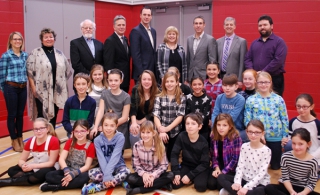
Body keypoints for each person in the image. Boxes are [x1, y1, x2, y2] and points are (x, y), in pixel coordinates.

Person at [244, 71, 289, 170]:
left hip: (275, 137)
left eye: (266, 82)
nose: (263, 85)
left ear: (271, 83)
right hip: (257, 137)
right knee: (258, 166)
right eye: (261, 82)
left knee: (275, 167)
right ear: (256, 83)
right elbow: (247, 120)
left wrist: (285, 136)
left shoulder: (278, 99)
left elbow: (284, 119)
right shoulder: (251, 100)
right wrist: (255, 134)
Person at [27, 28, 69, 129]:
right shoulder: (35, 53)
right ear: (42, 39)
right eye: (46, 37)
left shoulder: (59, 53)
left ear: (54, 39)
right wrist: (33, 87)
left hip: (56, 90)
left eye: (51, 37)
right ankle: (42, 135)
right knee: (42, 115)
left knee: (54, 114)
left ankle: (51, 135)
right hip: (41, 90)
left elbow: (66, 70)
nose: (49, 39)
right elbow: (29, 71)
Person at [0, 118, 59, 187]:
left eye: (42, 128)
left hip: (50, 167)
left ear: (47, 129)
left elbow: (51, 163)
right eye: (36, 129)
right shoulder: (31, 141)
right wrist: (23, 165)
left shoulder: (53, 140)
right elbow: (21, 160)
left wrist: (33, 166)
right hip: (35, 166)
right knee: (11, 170)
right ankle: (30, 177)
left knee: (42, 173)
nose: (39, 131)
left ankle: (7, 182)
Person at [217, 119, 271, 195]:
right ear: (246, 132)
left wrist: (246, 187)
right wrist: (237, 183)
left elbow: (261, 174)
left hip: (259, 183)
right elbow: (240, 167)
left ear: (262, 133)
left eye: (257, 133)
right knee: (221, 177)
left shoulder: (266, 150)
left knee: (260, 192)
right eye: (250, 132)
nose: (253, 135)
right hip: (244, 179)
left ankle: (233, 192)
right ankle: (239, 192)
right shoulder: (244, 146)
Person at [81, 112, 130, 195]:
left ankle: (98, 187)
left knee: (126, 172)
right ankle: (119, 181)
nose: (108, 128)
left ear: (116, 126)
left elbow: (115, 157)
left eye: (112, 125)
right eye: (106, 125)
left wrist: (107, 177)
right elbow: (101, 159)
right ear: (102, 126)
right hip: (104, 168)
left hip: (118, 167)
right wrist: (107, 175)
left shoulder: (120, 137)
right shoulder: (97, 140)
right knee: (91, 173)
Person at [40, 119, 95, 192]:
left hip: (79, 172)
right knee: (49, 175)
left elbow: (87, 166)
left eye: (82, 131)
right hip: (67, 171)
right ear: (73, 132)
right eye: (76, 131)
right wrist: (66, 170)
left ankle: (54, 186)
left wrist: (73, 174)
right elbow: (61, 159)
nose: (79, 134)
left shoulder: (91, 146)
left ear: (88, 131)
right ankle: (72, 184)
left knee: (85, 177)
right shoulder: (70, 142)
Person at [265, 128, 320, 195]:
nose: (296, 147)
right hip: (287, 186)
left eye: (300, 144)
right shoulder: (285, 157)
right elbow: (285, 178)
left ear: (308, 144)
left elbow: (312, 183)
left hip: (303, 188)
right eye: (294, 143)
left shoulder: (313, 161)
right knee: (269, 188)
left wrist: (303, 193)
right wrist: (291, 191)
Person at [125, 121, 174, 195]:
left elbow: (164, 165)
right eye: (143, 132)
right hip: (142, 175)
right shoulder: (136, 146)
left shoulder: (160, 145)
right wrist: (144, 174)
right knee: (129, 178)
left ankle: (140, 189)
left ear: (153, 133)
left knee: (171, 175)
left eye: (148, 132)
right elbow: (135, 165)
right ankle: (162, 184)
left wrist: (153, 176)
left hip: (156, 174)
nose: (145, 135)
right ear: (140, 133)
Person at [244, 15, 288, 96]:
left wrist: (263, 72)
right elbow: (248, 58)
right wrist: (253, 73)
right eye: (260, 25)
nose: (262, 27)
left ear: (271, 26)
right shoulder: (254, 43)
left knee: (273, 105)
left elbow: (278, 60)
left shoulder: (279, 42)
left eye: (265, 25)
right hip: (257, 79)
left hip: (274, 80)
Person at [0, 32, 28, 152]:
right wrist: (4, 89)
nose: (17, 41)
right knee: (12, 115)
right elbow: (1, 75)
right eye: (15, 39)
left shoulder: (25, 55)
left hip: (23, 87)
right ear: (10, 41)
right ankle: (14, 139)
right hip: (10, 87)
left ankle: (20, 137)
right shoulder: (6, 56)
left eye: (19, 39)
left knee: (20, 114)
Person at [90, 69, 130, 149]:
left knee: (116, 148)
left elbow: (125, 117)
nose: (113, 83)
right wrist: (96, 126)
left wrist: (111, 126)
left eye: (116, 80)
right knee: (96, 135)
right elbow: (101, 111)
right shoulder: (105, 93)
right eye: (111, 80)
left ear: (121, 81)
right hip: (106, 124)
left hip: (119, 125)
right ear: (107, 81)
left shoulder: (126, 97)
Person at [171, 113, 210, 192]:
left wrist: (190, 175)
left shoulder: (204, 142)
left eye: (193, 124)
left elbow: (205, 163)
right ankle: (191, 179)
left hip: (200, 167)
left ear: (199, 127)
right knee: (175, 184)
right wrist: (176, 172)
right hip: (187, 165)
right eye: (187, 123)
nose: (190, 126)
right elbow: (174, 154)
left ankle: (193, 178)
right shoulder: (182, 136)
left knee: (200, 187)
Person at [153, 71, 186, 161]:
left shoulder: (182, 97)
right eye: (167, 82)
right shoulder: (159, 97)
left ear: (176, 82)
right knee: (160, 158)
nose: (169, 84)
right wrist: (161, 129)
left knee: (171, 158)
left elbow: (180, 116)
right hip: (161, 130)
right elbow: (156, 115)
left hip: (175, 131)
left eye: (172, 81)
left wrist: (167, 129)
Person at [207, 113, 242, 191]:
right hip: (219, 166)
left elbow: (235, 159)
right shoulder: (213, 136)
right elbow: (213, 155)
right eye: (218, 125)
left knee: (220, 185)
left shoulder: (236, 137)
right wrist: (216, 168)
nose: (221, 128)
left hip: (230, 168)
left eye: (224, 125)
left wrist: (223, 172)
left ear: (230, 127)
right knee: (211, 185)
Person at [283, 94, 320, 165]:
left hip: (313, 156)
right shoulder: (293, 121)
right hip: (298, 154)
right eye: (298, 106)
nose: (301, 109)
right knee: (287, 145)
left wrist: (312, 157)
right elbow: (291, 140)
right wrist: (285, 141)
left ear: (311, 107)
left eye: (305, 107)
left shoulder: (317, 124)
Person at [211, 74, 246, 141]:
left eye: (230, 86)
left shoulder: (240, 99)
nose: (227, 88)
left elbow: (232, 117)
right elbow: (215, 113)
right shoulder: (219, 97)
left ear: (236, 87)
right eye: (225, 85)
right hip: (221, 128)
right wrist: (214, 128)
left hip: (235, 129)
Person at [129, 70, 159, 147]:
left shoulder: (158, 92)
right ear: (140, 80)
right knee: (134, 133)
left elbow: (154, 112)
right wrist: (134, 123)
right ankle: (135, 156)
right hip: (136, 119)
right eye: (144, 79)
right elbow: (133, 108)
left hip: (151, 121)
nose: (146, 82)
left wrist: (141, 121)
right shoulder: (136, 89)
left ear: (153, 81)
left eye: (149, 79)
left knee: (151, 136)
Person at [62, 73, 96, 138]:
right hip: (72, 131)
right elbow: (65, 121)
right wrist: (73, 132)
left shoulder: (92, 102)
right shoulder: (69, 101)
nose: (81, 87)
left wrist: (82, 132)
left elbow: (90, 122)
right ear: (74, 85)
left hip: (85, 131)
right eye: (78, 84)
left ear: (88, 84)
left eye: (83, 84)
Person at [217, 17, 247, 87]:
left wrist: (240, 79)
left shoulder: (241, 41)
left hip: (234, 77)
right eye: (227, 25)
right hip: (220, 77)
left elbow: (242, 62)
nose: (229, 26)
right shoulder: (218, 41)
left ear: (235, 27)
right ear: (224, 26)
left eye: (231, 25)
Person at [130, 6, 157, 84]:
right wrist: (142, 73)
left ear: (151, 17)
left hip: (151, 72)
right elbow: (135, 55)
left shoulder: (153, 31)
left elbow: (152, 52)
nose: (146, 17)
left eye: (148, 15)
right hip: (141, 73)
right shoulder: (135, 31)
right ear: (140, 15)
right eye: (144, 15)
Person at [103, 15, 130, 92]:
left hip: (125, 79)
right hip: (116, 80)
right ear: (114, 27)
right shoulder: (110, 41)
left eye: (123, 25)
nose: (121, 27)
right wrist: (112, 80)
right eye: (119, 25)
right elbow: (108, 63)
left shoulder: (125, 39)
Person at [186, 15, 217, 82]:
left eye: (200, 23)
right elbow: (188, 59)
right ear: (193, 25)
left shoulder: (210, 39)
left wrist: (210, 76)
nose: (198, 25)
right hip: (191, 74)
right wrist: (187, 76)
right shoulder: (189, 39)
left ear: (204, 25)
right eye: (196, 23)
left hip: (203, 75)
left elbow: (212, 60)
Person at [185, 76, 212, 141]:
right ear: (191, 86)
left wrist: (197, 126)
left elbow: (205, 115)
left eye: (199, 84)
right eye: (194, 84)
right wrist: (192, 126)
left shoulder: (208, 99)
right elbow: (186, 114)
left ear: (203, 85)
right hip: (190, 128)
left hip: (203, 129)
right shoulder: (187, 98)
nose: (197, 87)